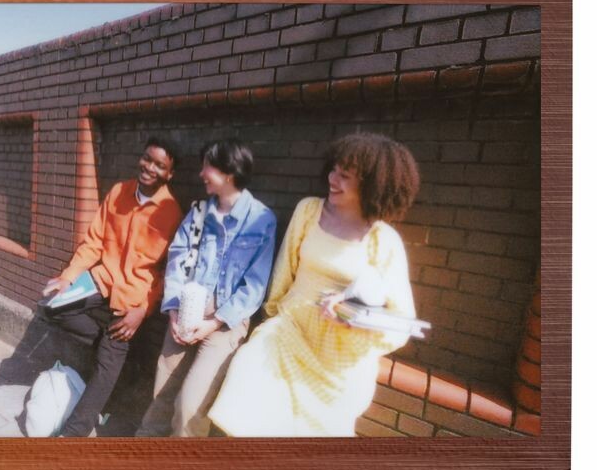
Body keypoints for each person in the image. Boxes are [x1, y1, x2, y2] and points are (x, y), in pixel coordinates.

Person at [208, 132, 420, 437]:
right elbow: (283, 273)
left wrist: (354, 321)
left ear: (371, 185)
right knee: (245, 386)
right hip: (289, 331)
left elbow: (401, 323)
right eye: (334, 170)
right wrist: (271, 317)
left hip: (338, 360)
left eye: (345, 176)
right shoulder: (308, 211)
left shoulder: (384, 241)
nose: (332, 179)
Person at [135, 139, 277, 437]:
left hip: (225, 322)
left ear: (229, 173)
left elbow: (255, 285)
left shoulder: (261, 220)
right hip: (185, 311)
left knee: (191, 405)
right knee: (162, 394)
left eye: (207, 167)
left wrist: (212, 323)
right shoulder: (198, 213)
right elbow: (177, 260)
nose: (201, 174)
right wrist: (174, 313)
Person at [43, 138, 183, 437]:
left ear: (169, 174)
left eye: (160, 165)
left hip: (132, 298)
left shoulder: (172, 212)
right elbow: (94, 241)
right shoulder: (119, 192)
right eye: (147, 159)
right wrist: (69, 277)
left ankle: (73, 433)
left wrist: (143, 310)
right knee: (52, 306)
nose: (150, 168)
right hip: (101, 280)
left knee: (106, 369)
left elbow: (168, 272)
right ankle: (112, 345)